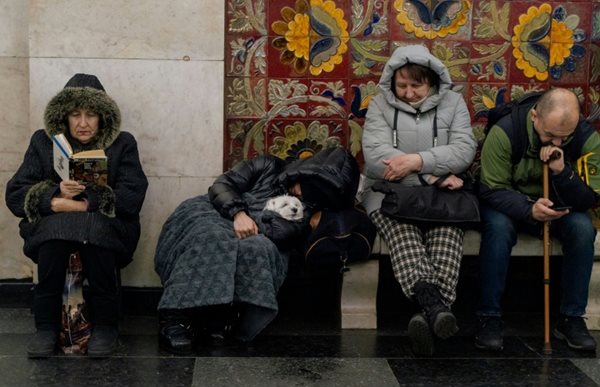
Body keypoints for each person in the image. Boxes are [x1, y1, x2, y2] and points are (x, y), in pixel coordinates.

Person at [154, 146, 359, 355]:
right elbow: (222, 185)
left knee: (259, 249)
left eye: (312, 193)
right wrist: (238, 213)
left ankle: (219, 317)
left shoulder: (308, 207)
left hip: (260, 230)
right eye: (304, 186)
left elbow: (282, 234)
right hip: (217, 209)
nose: (300, 193)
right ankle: (175, 317)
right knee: (210, 237)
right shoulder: (268, 165)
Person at [5, 74, 148, 357]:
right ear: (64, 116)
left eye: (91, 114)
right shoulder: (42, 141)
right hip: (54, 223)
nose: (83, 123)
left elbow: (133, 194)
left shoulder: (123, 143)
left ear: (103, 117)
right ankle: (46, 327)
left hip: (105, 226)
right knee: (54, 241)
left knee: (96, 238)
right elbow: (15, 193)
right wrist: (53, 197)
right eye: (75, 114)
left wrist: (88, 202)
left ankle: (106, 327)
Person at [360, 45, 477, 356]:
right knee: (404, 237)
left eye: (416, 85)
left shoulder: (453, 103)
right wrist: (430, 175)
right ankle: (437, 308)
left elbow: (464, 151)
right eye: (402, 86)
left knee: (447, 237)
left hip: (440, 198)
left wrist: (415, 162)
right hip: (387, 195)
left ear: (432, 82)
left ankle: (428, 312)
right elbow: (375, 158)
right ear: (392, 82)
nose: (408, 93)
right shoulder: (381, 104)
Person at [475, 88, 600, 352]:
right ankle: (489, 317)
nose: (555, 143)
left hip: (558, 205)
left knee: (582, 228)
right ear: (534, 116)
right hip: (510, 206)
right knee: (497, 229)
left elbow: (589, 199)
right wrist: (529, 209)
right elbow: (491, 189)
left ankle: (571, 318)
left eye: (563, 138)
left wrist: (562, 171)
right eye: (549, 135)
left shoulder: (588, 139)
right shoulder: (506, 132)